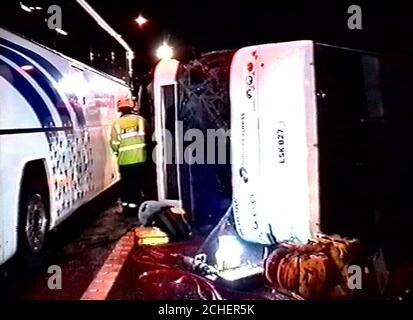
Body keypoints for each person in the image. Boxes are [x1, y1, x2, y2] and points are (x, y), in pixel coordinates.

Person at [110, 97, 148, 213]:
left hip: (125, 161)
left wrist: (117, 153)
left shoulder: (116, 124)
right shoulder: (141, 120)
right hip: (141, 159)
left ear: (120, 109)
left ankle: (128, 209)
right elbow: (149, 135)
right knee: (141, 184)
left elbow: (114, 143)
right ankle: (142, 208)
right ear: (131, 106)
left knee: (127, 185)